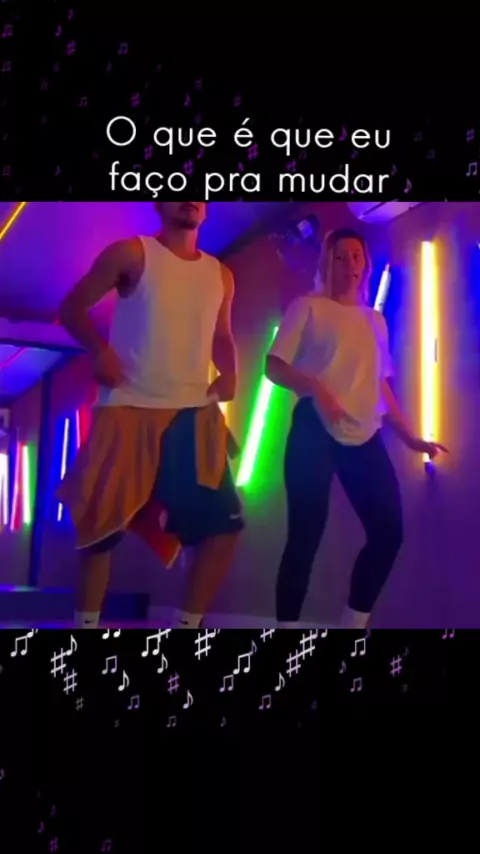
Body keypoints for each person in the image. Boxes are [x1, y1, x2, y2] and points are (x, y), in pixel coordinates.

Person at [57, 202, 245, 629]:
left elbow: (221, 336)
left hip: (193, 415)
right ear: (159, 202)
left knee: (223, 530)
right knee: (100, 538)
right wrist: (99, 349)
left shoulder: (221, 275)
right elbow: (72, 308)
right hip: (127, 410)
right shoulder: (131, 253)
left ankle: (187, 627)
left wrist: (231, 372)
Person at [266, 228, 447, 630]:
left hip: (364, 436)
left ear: (365, 264)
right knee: (304, 537)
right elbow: (273, 367)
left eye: (356, 256)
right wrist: (316, 388)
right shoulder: (308, 307)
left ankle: (352, 624)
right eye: (340, 256)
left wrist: (411, 438)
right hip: (314, 431)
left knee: (388, 532)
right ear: (326, 262)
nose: (349, 264)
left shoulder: (374, 321)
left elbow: (380, 386)